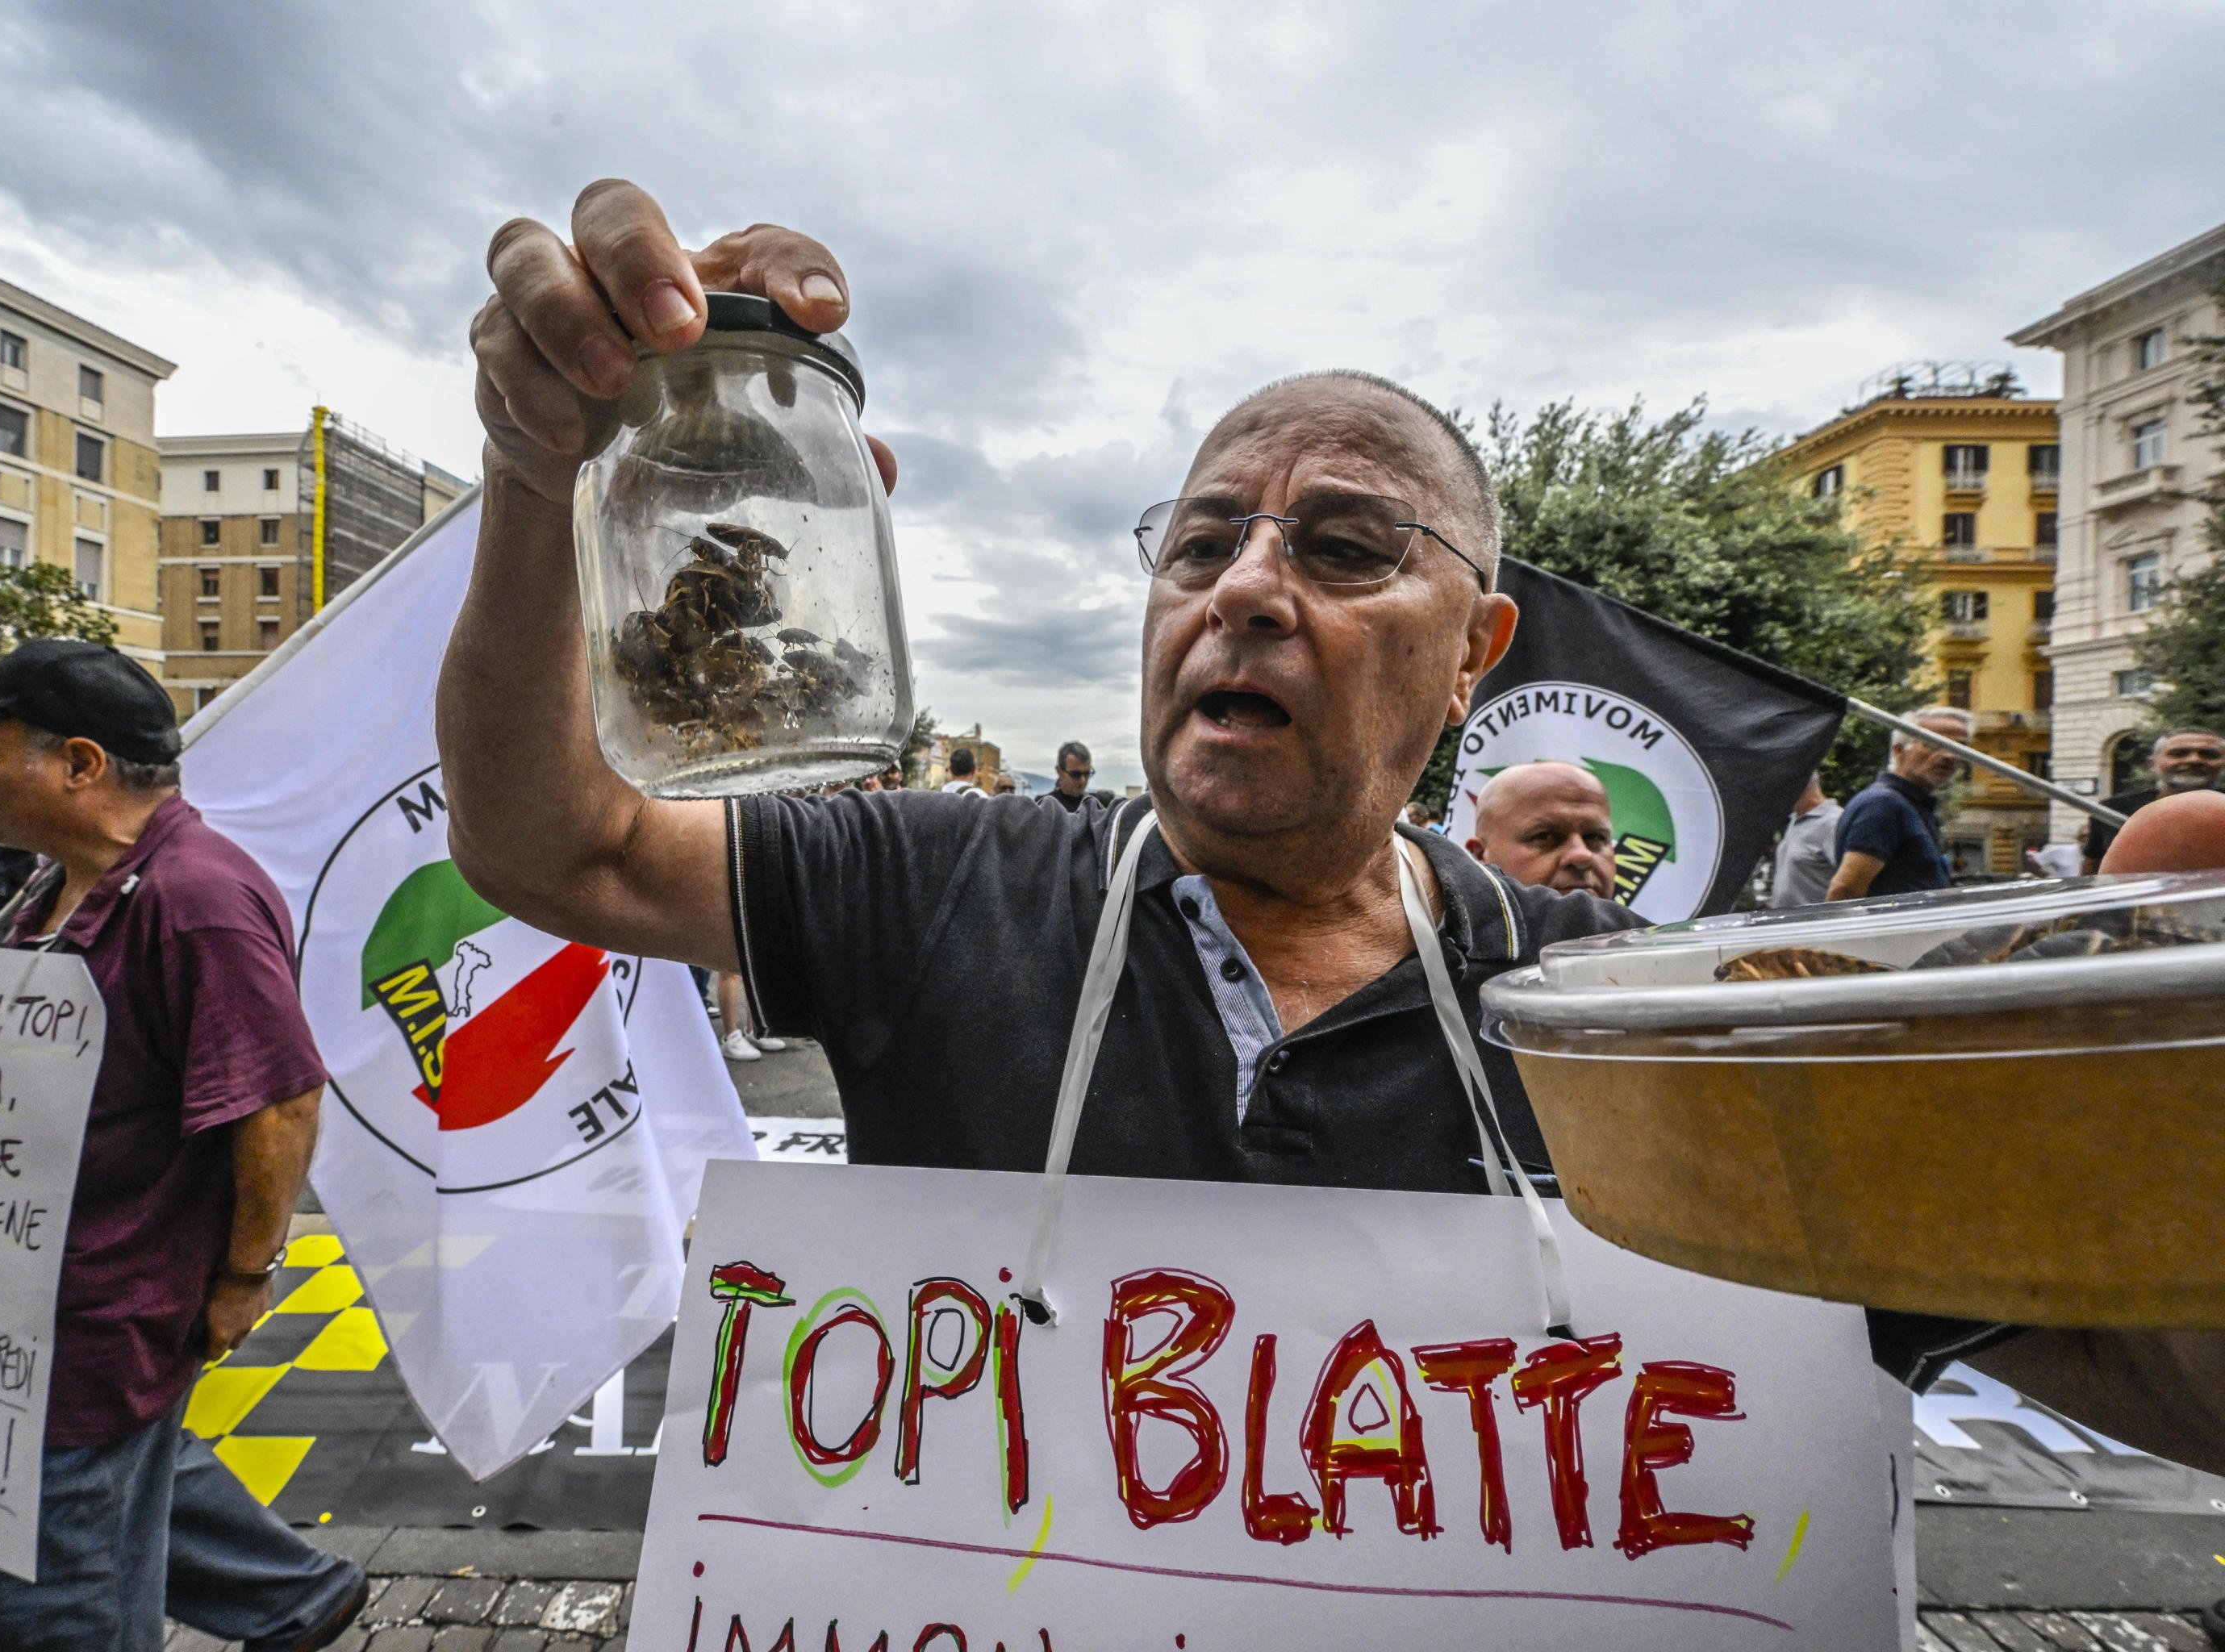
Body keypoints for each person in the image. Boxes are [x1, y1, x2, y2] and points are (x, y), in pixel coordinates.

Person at [440, 180, 2225, 1477]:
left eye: (1348, 548)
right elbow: (552, 842)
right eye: (1201, 544)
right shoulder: (942, 872)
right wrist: (547, 469)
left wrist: (2144, 1147)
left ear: (1475, 659)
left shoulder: (1622, 1024)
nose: (1249, 589)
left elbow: (2133, 1357)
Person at [0, 640, 366, 1652]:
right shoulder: (58, 884)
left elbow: (281, 1099)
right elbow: (39, 1008)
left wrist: (247, 1273)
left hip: (100, 1311)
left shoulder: (198, 898)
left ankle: (284, 1594)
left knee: (52, 1585)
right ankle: (291, 1597)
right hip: (21, 1297)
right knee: (115, 1477)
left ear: (79, 764)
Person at [1825, 708, 1972, 902]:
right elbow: (1845, 890)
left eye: (1959, 747)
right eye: (1934, 743)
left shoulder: (1912, 805)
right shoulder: (1884, 804)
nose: (1950, 755)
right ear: (1899, 749)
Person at [1463, 761, 1617, 899]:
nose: (1582, 855)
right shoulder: (1449, 930)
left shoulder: (1638, 927)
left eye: (1596, 837)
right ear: (1479, 855)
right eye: (1545, 836)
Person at [2084, 727, 2223, 872]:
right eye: (2179, 753)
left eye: (2209, 754)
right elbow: (2092, 871)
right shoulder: (2110, 809)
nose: (2194, 759)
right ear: (2152, 764)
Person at [1768, 776, 1843, 907]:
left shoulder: (1834, 822)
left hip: (1815, 923)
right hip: (1785, 923)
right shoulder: (1795, 819)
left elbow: (1849, 884)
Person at [1048, 741, 1096, 812]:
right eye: (1076, 774)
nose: (1083, 780)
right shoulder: (1045, 806)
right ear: (1059, 771)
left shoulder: (1095, 806)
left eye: (1087, 773)